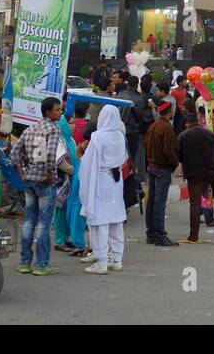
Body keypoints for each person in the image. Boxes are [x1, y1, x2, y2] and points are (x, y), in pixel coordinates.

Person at [10, 97, 64, 275]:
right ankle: (42, 264)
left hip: (30, 180)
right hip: (44, 182)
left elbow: (14, 153)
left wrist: (22, 174)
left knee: (29, 221)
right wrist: (49, 175)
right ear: (48, 112)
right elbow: (50, 156)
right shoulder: (53, 130)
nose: (60, 112)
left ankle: (25, 262)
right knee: (44, 224)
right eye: (57, 110)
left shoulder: (30, 128)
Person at [79, 104, 129, 273]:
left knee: (100, 220)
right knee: (116, 219)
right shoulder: (121, 136)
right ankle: (116, 259)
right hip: (116, 179)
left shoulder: (98, 137)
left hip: (101, 180)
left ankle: (101, 261)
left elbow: (88, 161)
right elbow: (125, 157)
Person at [177, 109, 214, 243]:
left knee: (195, 204)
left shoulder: (183, 136)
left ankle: (193, 235)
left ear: (187, 124)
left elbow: (180, 156)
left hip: (193, 174)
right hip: (210, 171)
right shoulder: (209, 133)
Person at [143, 97, 181, 247]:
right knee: (159, 203)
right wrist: (174, 164)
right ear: (169, 111)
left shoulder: (152, 127)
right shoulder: (167, 128)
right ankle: (159, 235)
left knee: (151, 201)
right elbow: (169, 151)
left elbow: (146, 145)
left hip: (152, 166)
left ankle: (151, 234)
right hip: (162, 168)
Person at [53, 103, 88, 257]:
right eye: (71, 123)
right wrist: (72, 170)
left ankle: (66, 237)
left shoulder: (71, 140)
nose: (74, 126)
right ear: (64, 124)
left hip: (71, 180)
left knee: (67, 209)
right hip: (63, 180)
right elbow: (59, 160)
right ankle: (59, 240)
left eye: (74, 122)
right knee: (60, 210)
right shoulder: (60, 139)